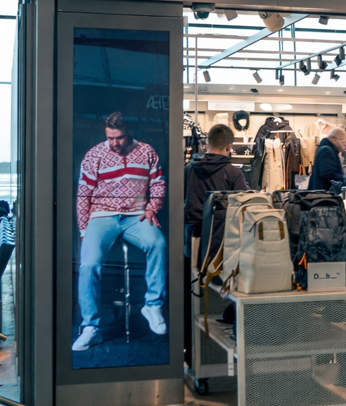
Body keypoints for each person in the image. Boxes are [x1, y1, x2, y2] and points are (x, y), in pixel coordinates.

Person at [73, 112, 167, 352]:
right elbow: (84, 193)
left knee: (158, 245)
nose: (114, 143)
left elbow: (157, 182)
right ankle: (90, 328)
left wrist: (151, 207)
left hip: (135, 216)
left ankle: (152, 305)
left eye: (119, 138)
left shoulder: (147, 152)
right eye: (110, 137)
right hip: (102, 216)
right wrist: (84, 229)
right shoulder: (95, 154)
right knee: (89, 264)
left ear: (130, 133)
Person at [182, 123, 247, 365]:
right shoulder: (233, 173)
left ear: (206, 143)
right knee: (222, 294)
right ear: (229, 146)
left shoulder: (189, 168)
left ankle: (192, 354)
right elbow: (244, 209)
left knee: (192, 296)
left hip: (192, 240)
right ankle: (217, 358)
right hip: (222, 246)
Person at [309, 127, 346, 192]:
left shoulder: (327, 149)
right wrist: (344, 179)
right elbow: (327, 173)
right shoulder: (326, 150)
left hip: (323, 194)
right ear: (335, 140)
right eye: (343, 143)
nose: (345, 147)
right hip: (324, 195)